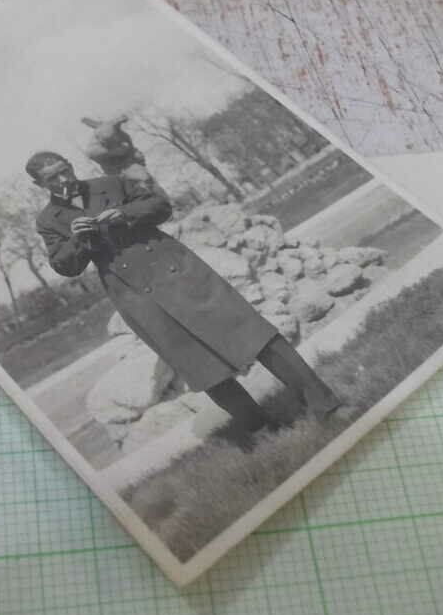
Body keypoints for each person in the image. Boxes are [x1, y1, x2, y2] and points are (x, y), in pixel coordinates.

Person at [27, 150, 343, 449]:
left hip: (179, 272)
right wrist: (77, 239)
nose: (64, 179)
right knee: (199, 364)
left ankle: (324, 404)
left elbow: (161, 207)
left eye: (65, 170)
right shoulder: (49, 220)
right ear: (40, 185)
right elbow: (64, 265)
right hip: (136, 295)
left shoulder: (109, 183)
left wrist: (124, 213)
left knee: (254, 334)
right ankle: (262, 429)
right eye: (53, 178)